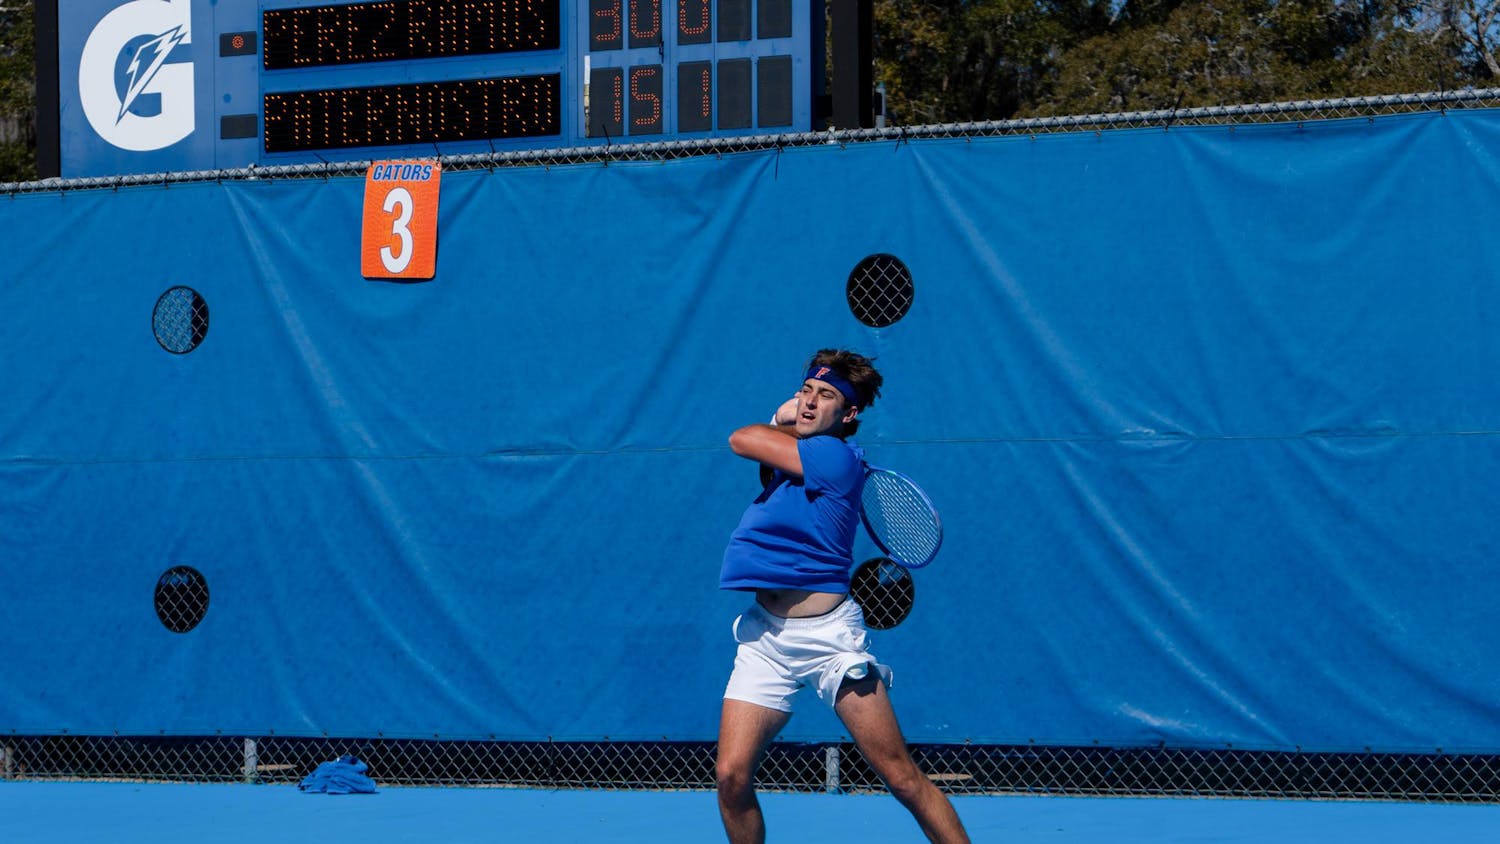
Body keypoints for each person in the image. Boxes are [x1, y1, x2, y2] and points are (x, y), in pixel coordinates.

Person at [716, 349, 970, 844]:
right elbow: (765, 448)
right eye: (806, 390)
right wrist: (787, 418)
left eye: (825, 396)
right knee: (731, 777)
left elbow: (741, 439)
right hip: (765, 639)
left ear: (849, 415)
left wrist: (781, 415)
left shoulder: (833, 456)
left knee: (901, 778)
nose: (810, 402)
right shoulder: (795, 457)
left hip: (828, 640)